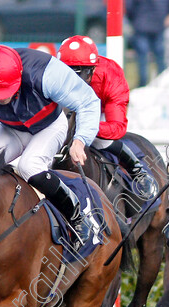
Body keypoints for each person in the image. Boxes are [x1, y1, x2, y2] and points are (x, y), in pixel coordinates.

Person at [0, 45, 101, 248]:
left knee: (29, 166)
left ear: (19, 76)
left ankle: (76, 215)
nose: (0, 99)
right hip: (9, 128)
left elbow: (88, 101)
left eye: (4, 92)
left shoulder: (46, 72)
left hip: (48, 126)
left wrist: (80, 140)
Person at [57, 35, 156, 198]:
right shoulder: (51, 74)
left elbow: (117, 128)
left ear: (92, 71)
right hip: (67, 109)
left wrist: (83, 128)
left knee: (102, 140)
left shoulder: (111, 77)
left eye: (78, 74)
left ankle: (137, 170)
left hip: (99, 110)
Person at [126, 0, 169, 87]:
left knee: (143, 57)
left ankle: (143, 84)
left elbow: (129, 8)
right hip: (157, 25)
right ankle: (162, 83)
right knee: (159, 57)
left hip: (141, 25)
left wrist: (134, 21)